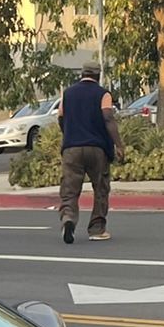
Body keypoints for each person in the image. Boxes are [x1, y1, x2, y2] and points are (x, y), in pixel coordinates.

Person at [56, 68, 125, 244]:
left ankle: (68, 219)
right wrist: (118, 144)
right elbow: (108, 118)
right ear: (98, 76)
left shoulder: (68, 93)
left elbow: (61, 116)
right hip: (97, 149)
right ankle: (97, 229)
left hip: (72, 148)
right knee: (101, 188)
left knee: (70, 189)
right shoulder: (103, 94)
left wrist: (68, 134)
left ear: (82, 75)